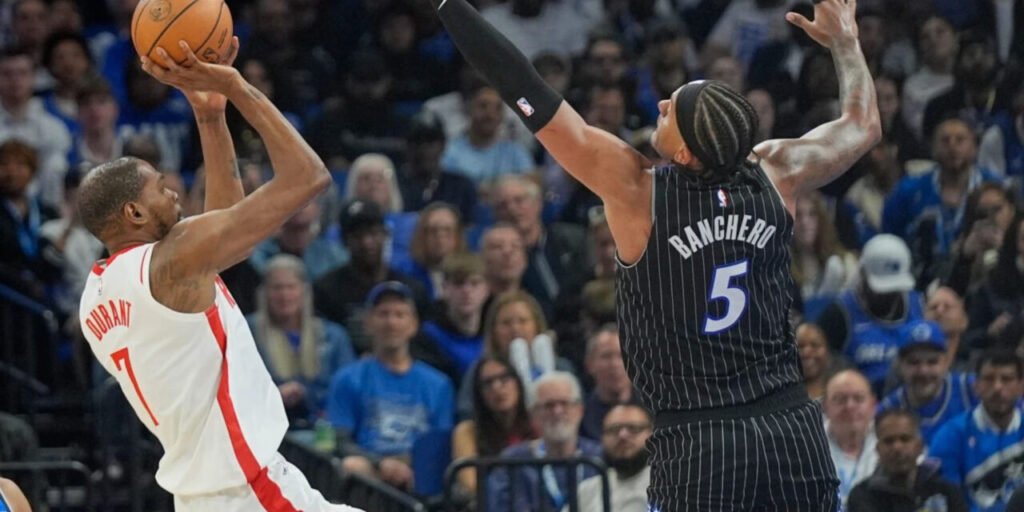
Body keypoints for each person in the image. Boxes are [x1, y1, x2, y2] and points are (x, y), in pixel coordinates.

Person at [429, 0, 881, 508]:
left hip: (699, 439)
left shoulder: (637, 192)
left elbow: (527, 92)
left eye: (674, 109)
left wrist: (452, 10)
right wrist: (846, 41)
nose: (661, 105)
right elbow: (862, 125)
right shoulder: (778, 172)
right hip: (790, 428)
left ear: (685, 154)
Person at [75, 39, 361, 511]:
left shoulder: (98, 293)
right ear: (134, 212)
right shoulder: (170, 261)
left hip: (207, 494)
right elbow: (308, 176)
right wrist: (237, 86)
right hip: (250, 489)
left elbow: (228, 234)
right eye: (162, 188)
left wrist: (211, 116)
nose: (175, 194)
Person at [326, 281, 454, 492]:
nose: (391, 322)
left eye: (399, 314)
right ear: (368, 323)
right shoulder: (347, 378)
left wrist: (407, 465)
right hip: (370, 473)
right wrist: (380, 464)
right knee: (352, 466)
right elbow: (340, 440)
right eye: (383, 314)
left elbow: (439, 445)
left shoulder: (438, 384)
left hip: (418, 472)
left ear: (413, 325)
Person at [247, 254, 355, 426]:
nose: (284, 295)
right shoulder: (247, 332)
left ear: (304, 291)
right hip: (266, 427)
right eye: (277, 288)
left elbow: (347, 391)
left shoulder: (333, 336)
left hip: (322, 429)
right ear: (265, 293)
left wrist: (308, 395)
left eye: (291, 287)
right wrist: (275, 396)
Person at [487, 371, 602, 512]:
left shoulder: (600, 456)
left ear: (580, 410)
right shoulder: (512, 461)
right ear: (533, 415)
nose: (557, 411)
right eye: (549, 405)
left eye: (564, 403)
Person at [930, 350, 1024, 512]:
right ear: (976, 386)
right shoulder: (950, 436)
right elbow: (944, 500)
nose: (997, 387)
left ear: (1021, 387)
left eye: (1007, 379)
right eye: (988, 379)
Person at [876, 320, 977, 445]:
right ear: (899, 365)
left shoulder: (971, 390)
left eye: (932, 362)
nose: (923, 371)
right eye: (914, 362)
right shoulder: (888, 410)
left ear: (946, 362)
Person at [846, 409, 969, 512]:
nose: (897, 448)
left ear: (920, 447)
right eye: (889, 441)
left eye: (905, 439)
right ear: (878, 449)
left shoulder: (946, 492)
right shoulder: (862, 496)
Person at [450, 355, 534, 496]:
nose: (497, 388)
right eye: (488, 383)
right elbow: (470, 485)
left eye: (504, 379)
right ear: (479, 393)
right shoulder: (467, 431)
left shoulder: (537, 425)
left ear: (518, 382)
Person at [567, 403, 653, 512]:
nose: (622, 435)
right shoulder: (587, 490)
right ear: (601, 438)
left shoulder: (666, 484)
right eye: (614, 430)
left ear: (652, 433)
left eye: (633, 428)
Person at [824, 369, 880, 507]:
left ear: (873, 405)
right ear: (825, 407)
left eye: (859, 398)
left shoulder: (889, 440)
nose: (850, 406)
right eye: (840, 399)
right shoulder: (808, 446)